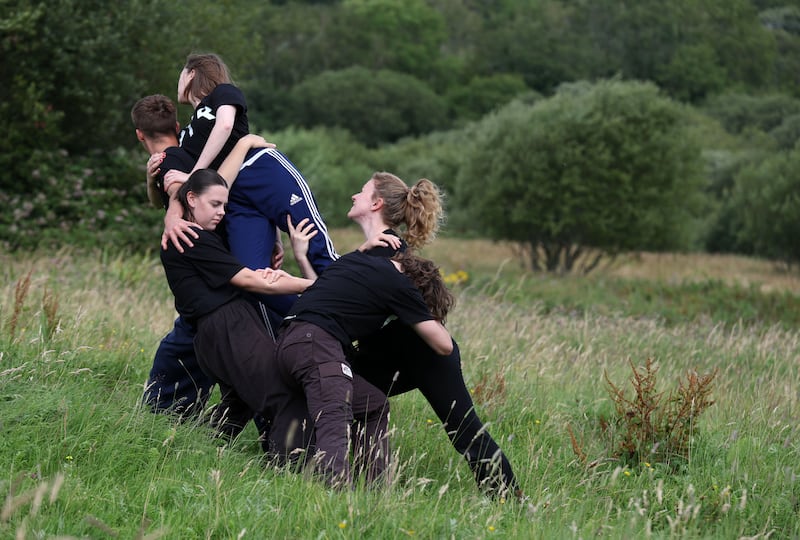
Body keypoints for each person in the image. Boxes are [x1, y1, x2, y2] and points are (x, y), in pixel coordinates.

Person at [131, 94, 337, 414]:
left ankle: (164, 413)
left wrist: (242, 145)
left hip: (214, 271)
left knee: (185, 350)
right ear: (176, 125)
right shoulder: (189, 155)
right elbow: (177, 193)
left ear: (139, 135)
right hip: (224, 264)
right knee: (223, 347)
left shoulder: (171, 159)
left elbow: (179, 190)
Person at [344, 172, 523, 500]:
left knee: (465, 431)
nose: (354, 195)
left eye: (362, 190)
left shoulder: (387, 251)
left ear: (376, 203)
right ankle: (356, 485)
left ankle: (512, 503)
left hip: (425, 353)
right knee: (344, 397)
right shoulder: (380, 249)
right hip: (390, 353)